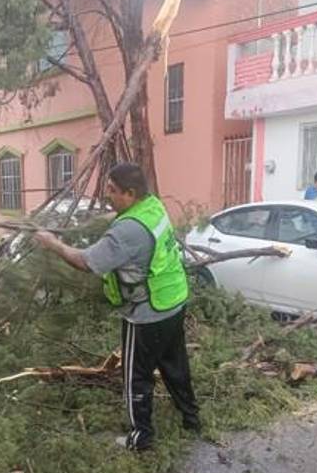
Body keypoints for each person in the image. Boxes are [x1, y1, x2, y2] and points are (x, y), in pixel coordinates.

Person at [34, 163, 200, 452]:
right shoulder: (152, 207)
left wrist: (53, 244)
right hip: (173, 300)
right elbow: (125, 218)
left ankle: (141, 438)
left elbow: (86, 262)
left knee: (136, 377)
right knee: (175, 364)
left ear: (130, 193)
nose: (106, 194)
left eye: (112, 190)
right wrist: (96, 220)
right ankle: (191, 418)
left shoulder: (127, 233)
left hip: (147, 314)